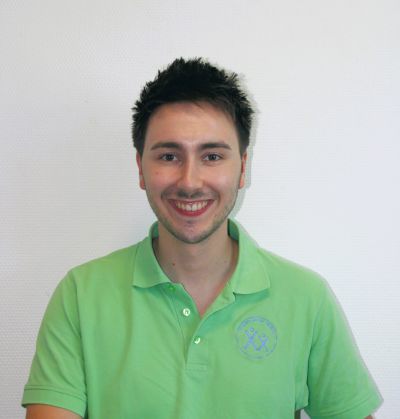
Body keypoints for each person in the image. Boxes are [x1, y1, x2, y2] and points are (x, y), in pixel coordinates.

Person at [22, 58, 382, 419]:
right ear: (141, 168)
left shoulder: (306, 299)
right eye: (169, 156)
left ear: (242, 168)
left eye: (211, 156)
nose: (190, 182)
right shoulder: (81, 296)